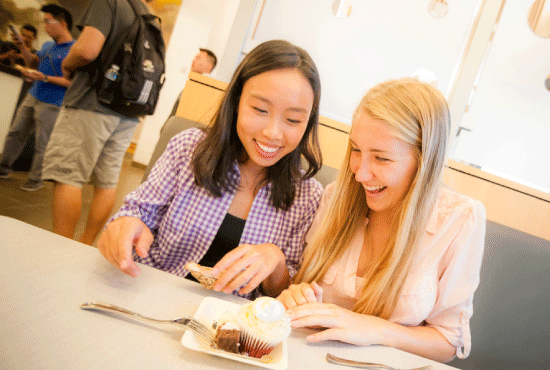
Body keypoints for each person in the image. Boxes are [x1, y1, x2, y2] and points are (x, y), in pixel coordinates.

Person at [277, 78, 486, 363]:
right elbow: (302, 283)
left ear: (423, 162)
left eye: (382, 159)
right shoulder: (334, 197)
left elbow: (448, 341)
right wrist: (297, 295)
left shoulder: (460, 219)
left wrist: (374, 329)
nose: (360, 174)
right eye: (356, 150)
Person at [97, 39, 324, 299]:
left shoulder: (307, 196)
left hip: (230, 325)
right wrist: (126, 227)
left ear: (307, 122)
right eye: (260, 109)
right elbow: (136, 214)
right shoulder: (189, 149)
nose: (272, 132)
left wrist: (276, 259)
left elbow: (284, 292)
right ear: (237, 101)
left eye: (293, 120)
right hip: (150, 296)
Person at [41, 0, 156, 245]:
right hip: (127, 111)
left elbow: (86, 50)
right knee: (107, 182)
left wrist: (67, 63)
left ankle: (59, 248)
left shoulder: (110, 2)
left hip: (91, 102)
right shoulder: (148, 14)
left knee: (68, 177)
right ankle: (85, 244)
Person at [0, 6, 74, 192]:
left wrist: (45, 78)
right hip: (33, 95)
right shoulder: (48, 46)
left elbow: (71, 82)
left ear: (63, 24)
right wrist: (23, 48)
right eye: (44, 21)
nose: (45, 26)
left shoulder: (74, 50)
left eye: (48, 21)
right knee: (15, 133)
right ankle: (3, 168)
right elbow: (34, 63)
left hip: (52, 102)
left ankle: (35, 180)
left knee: (43, 144)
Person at [169, 48, 217, 117]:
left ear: (208, 67)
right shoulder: (190, 85)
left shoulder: (204, 94)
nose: (193, 60)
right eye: (195, 57)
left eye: (198, 58)